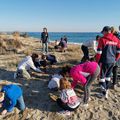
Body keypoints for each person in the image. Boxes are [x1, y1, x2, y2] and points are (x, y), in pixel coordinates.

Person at [96, 26, 120, 98]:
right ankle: (106, 90)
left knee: (102, 77)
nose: (102, 33)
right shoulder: (117, 39)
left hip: (104, 61)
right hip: (112, 61)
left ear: (105, 31)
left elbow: (99, 52)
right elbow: (119, 51)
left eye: (103, 32)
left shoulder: (102, 39)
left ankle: (103, 93)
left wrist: (97, 62)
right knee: (108, 76)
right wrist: (116, 59)